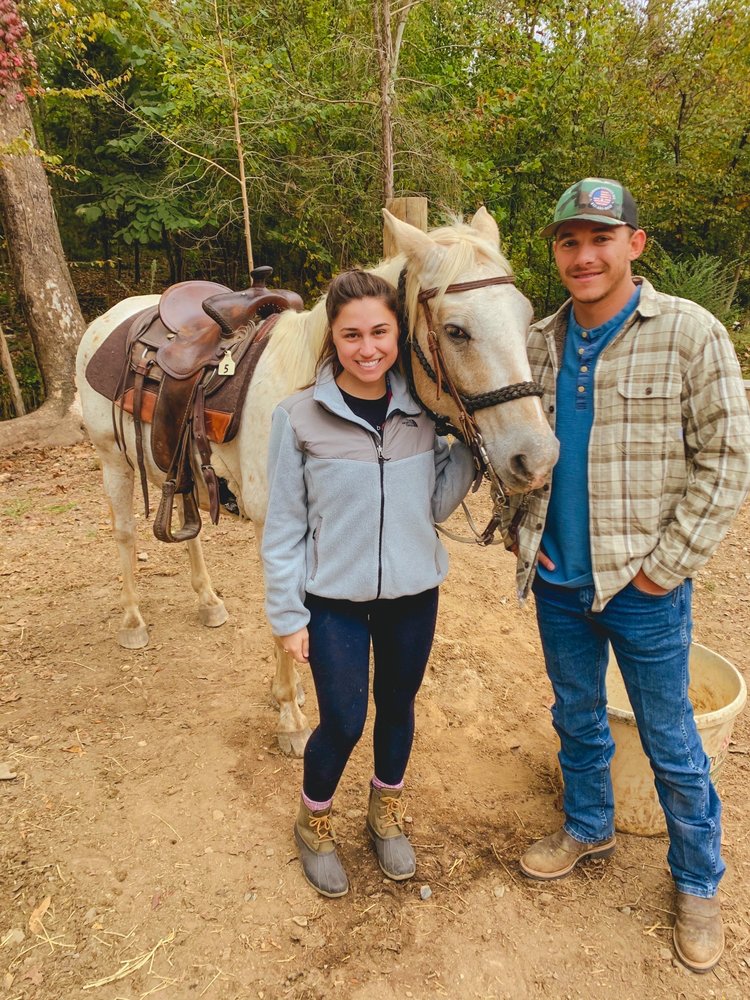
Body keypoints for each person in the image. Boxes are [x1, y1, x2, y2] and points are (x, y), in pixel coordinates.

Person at [504, 177, 750, 972]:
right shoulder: (537, 342)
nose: (584, 256)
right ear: (555, 253)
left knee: (672, 737)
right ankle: (588, 824)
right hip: (557, 576)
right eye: (569, 242)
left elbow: (726, 460)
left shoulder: (690, 333)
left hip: (644, 586)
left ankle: (698, 881)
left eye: (600, 239)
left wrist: (663, 570)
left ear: (634, 245)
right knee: (576, 715)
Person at [261, 269, 475, 898]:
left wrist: (466, 450)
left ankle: (386, 813)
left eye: (380, 331)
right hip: (334, 603)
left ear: (397, 333)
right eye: (351, 334)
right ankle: (315, 821)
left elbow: (432, 506)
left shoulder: (422, 413)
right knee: (344, 720)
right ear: (333, 336)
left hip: (413, 596)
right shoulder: (298, 417)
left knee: (399, 708)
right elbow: (283, 529)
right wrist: (288, 616)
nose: (368, 347)